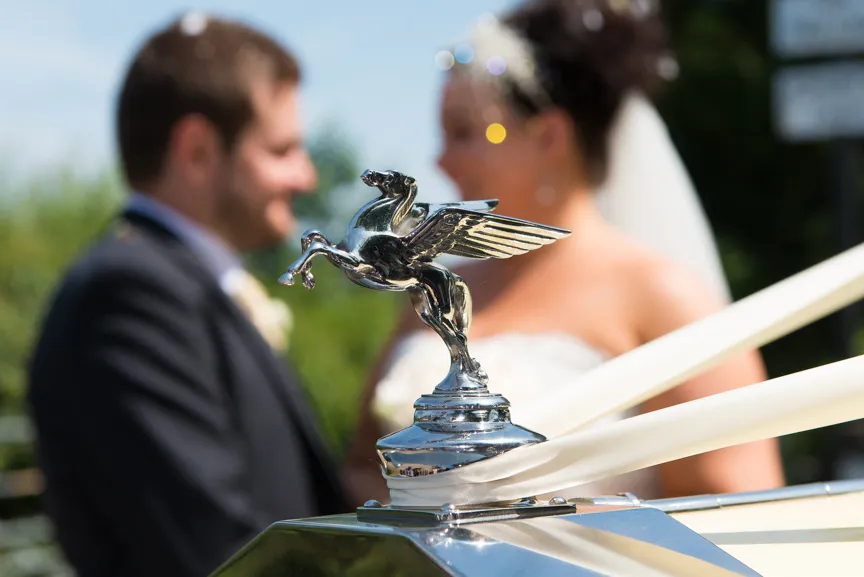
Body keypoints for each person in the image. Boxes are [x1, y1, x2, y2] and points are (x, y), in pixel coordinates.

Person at [346, 0, 785, 504]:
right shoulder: (430, 289)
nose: (440, 160)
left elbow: (734, 508)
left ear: (548, 134)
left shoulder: (663, 298)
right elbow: (361, 463)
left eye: (465, 132)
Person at [27, 13, 349, 577]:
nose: (306, 177)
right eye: (281, 150)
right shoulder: (127, 297)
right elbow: (218, 555)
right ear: (197, 150)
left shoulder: (181, 285)